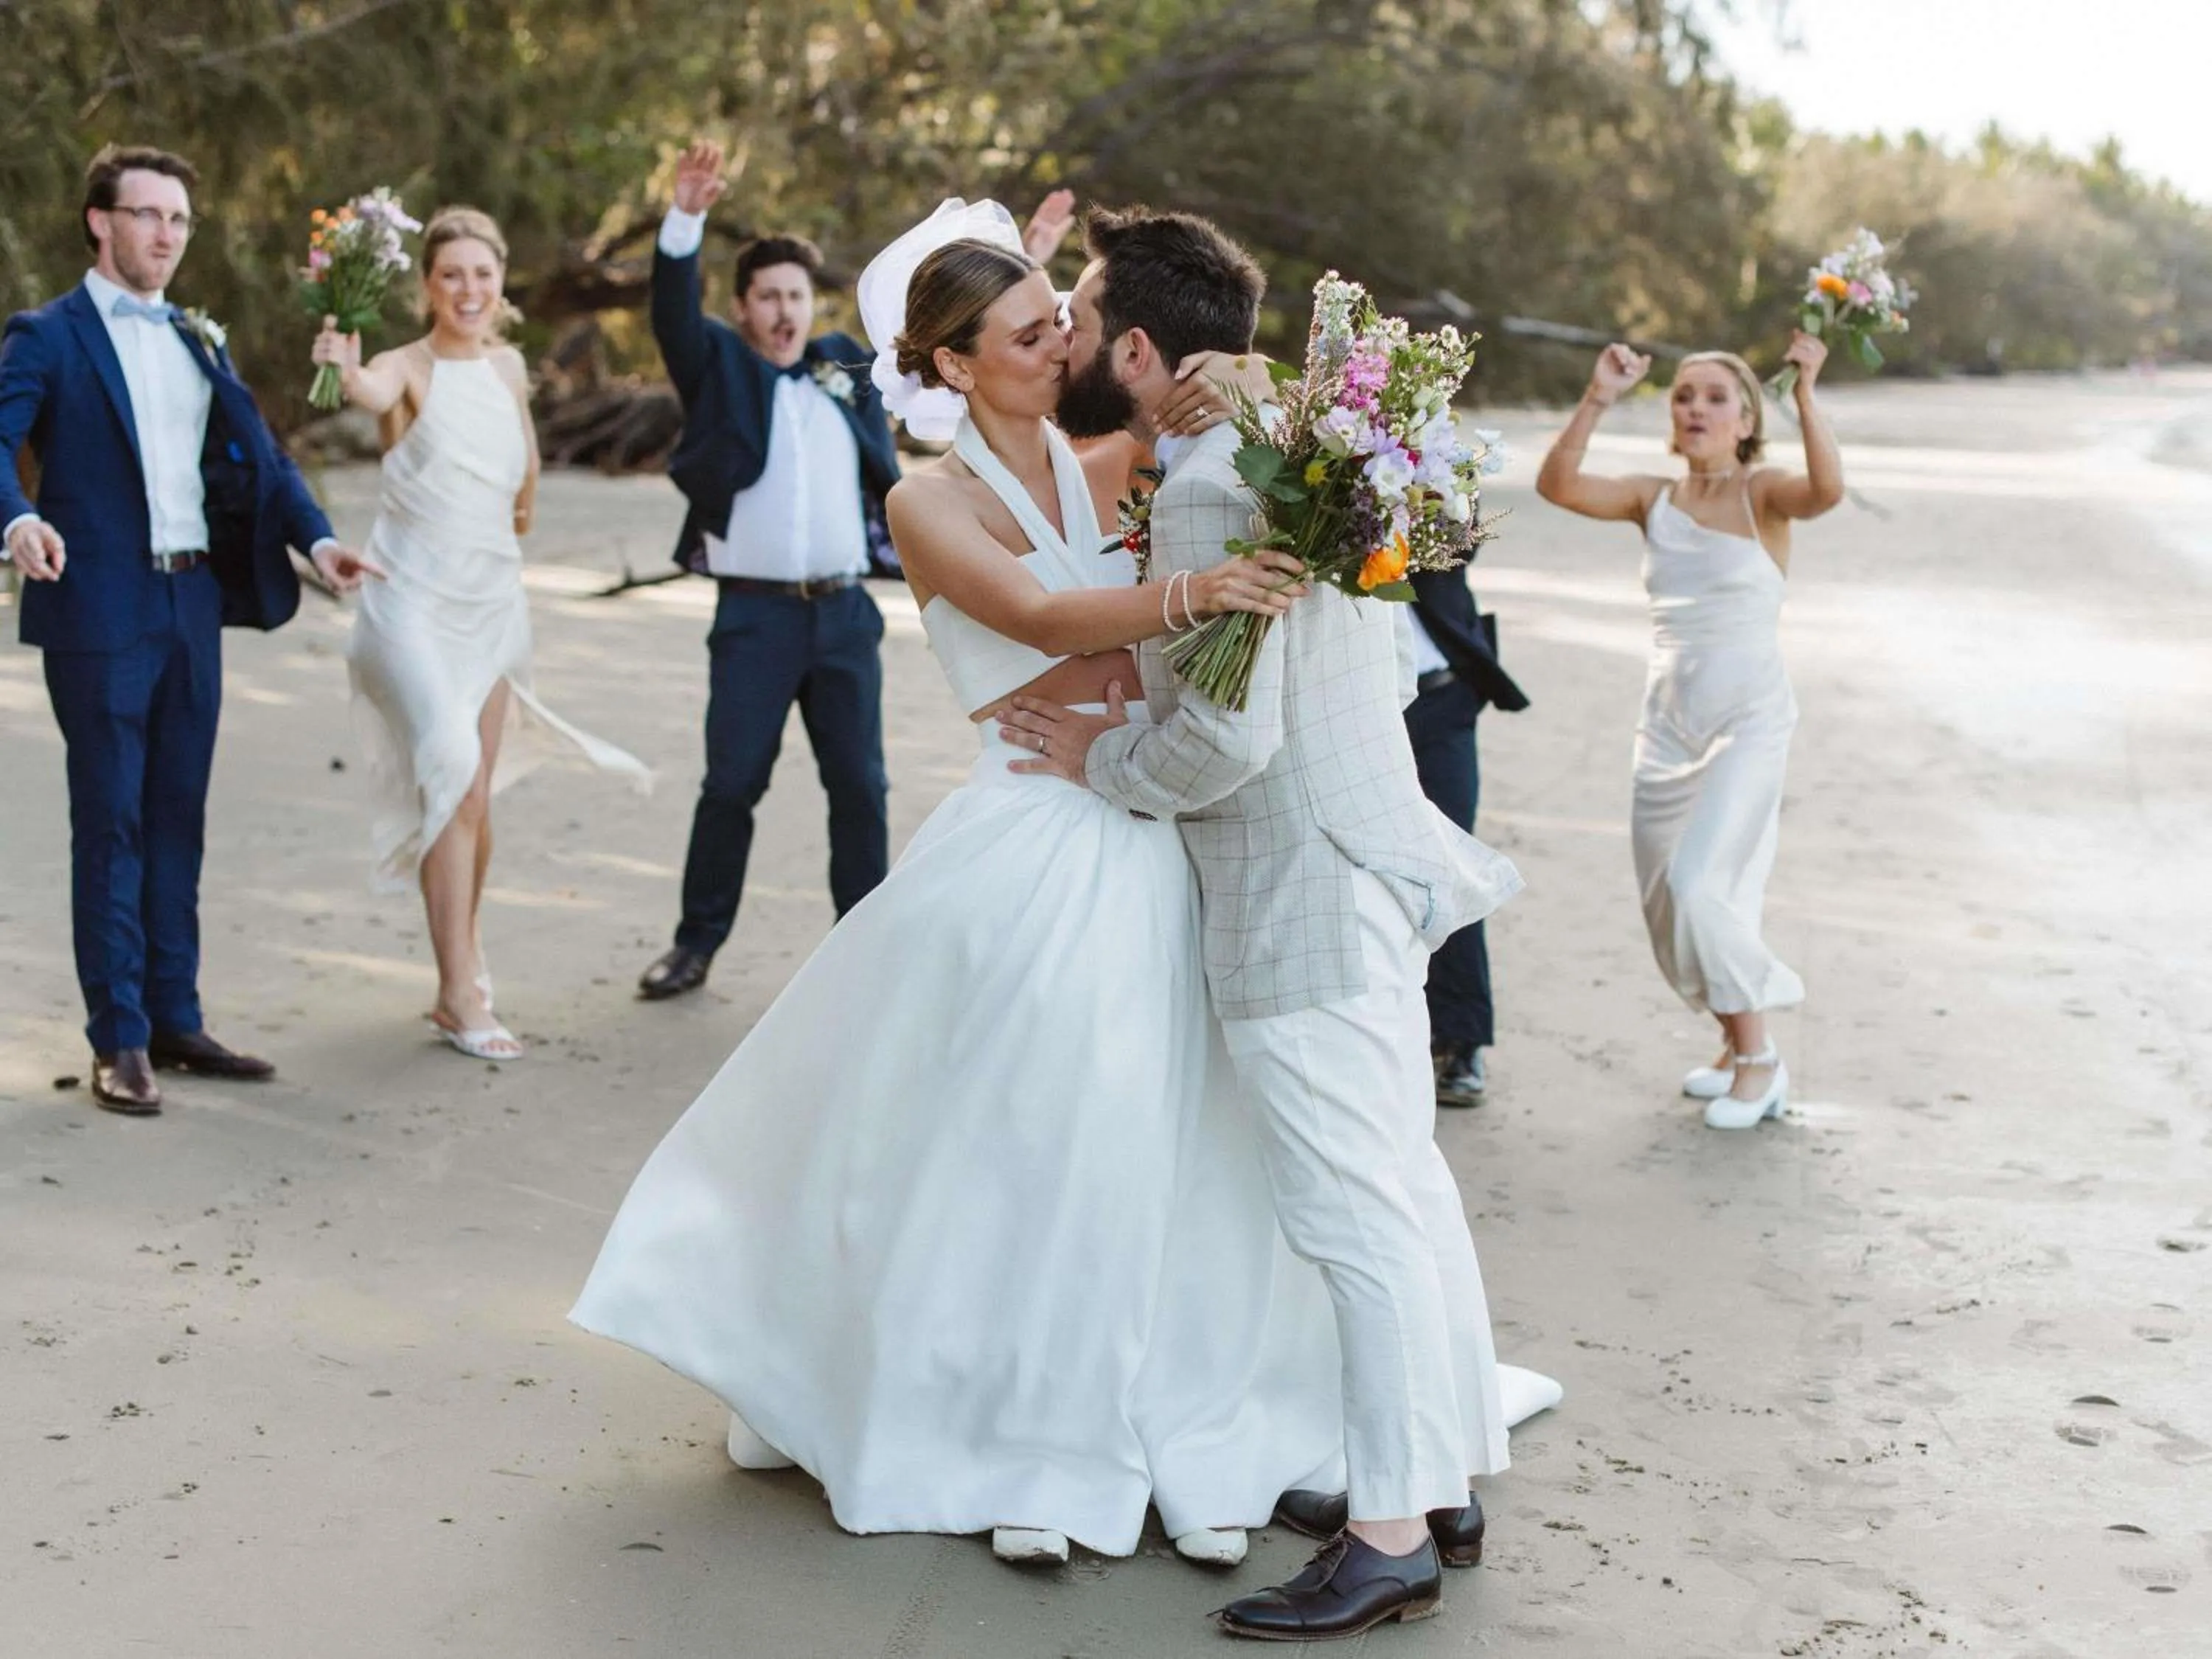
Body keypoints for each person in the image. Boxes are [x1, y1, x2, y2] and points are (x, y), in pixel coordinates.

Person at [572, 204, 1351, 1571]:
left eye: (1063, 320)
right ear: (951, 367)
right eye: (1033, 332)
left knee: (1153, 1145)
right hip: (1028, 840)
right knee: (1027, 1146)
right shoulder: (921, 500)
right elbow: (1043, 622)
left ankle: (1161, 1410)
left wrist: (1264, 386)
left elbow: (1212, 423)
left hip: (1141, 819)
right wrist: (1203, 594)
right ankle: (1001, 1426)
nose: (1066, 346)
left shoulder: (1113, 463)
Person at [1002, 206, 1534, 1643]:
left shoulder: (1211, 486)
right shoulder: (1305, 445)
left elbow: (1224, 744)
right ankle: (1439, 1473)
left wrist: (1098, 762)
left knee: (1354, 1209)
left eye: (1090, 319)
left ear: (1135, 347)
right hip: (1366, 853)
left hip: (1296, 885)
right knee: (1403, 1185)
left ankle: (1388, 1539)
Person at [0, 144, 380, 1116]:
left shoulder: (197, 338)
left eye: (178, 219)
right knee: (113, 821)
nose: (165, 234)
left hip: (191, 606)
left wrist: (320, 540)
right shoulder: (45, 336)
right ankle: (119, 1037)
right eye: (146, 215)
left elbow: (264, 453)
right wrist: (18, 518)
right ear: (100, 221)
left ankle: (175, 1016)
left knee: (177, 817)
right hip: (99, 611)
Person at [310, 207, 648, 1061]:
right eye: (451, 273)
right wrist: (343, 372)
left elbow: (526, 467)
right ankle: (461, 994)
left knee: (471, 798)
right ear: (426, 284)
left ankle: (457, 967)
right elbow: (370, 393)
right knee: (453, 772)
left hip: (492, 606)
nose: (467, 289)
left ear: (501, 286)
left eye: (482, 274)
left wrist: (506, 533)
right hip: (409, 605)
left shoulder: (506, 366)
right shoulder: (403, 365)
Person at [1534, 336, 1842, 1129]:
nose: (1695, 407)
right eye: (1683, 396)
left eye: (1714, 396)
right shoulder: (1652, 498)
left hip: (1748, 720)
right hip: (1666, 724)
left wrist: (1807, 393)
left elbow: (1827, 492)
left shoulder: (1763, 492)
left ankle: (1763, 1059)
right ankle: (1732, 1047)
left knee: (1702, 885)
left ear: (1746, 418)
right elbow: (1558, 485)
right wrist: (1600, 395)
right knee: (1670, 905)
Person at [633, 141, 902, 1002]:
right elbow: (673, 315)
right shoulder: (720, 371)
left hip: (845, 615)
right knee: (732, 784)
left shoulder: (846, 371)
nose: (784, 311)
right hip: (754, 620)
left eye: (796, 295)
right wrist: (686, 217)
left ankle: (863, 946)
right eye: (768, 298)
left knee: (859, 785)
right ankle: (695, 943)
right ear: (744, 308)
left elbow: (939, 347)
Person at [1404, 551, 1528, 1106]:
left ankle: (1459, 1040)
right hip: (1351, 700)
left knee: (1447, 861)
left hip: (1441, 695)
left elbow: (1463, 536)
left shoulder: (1431, 466)